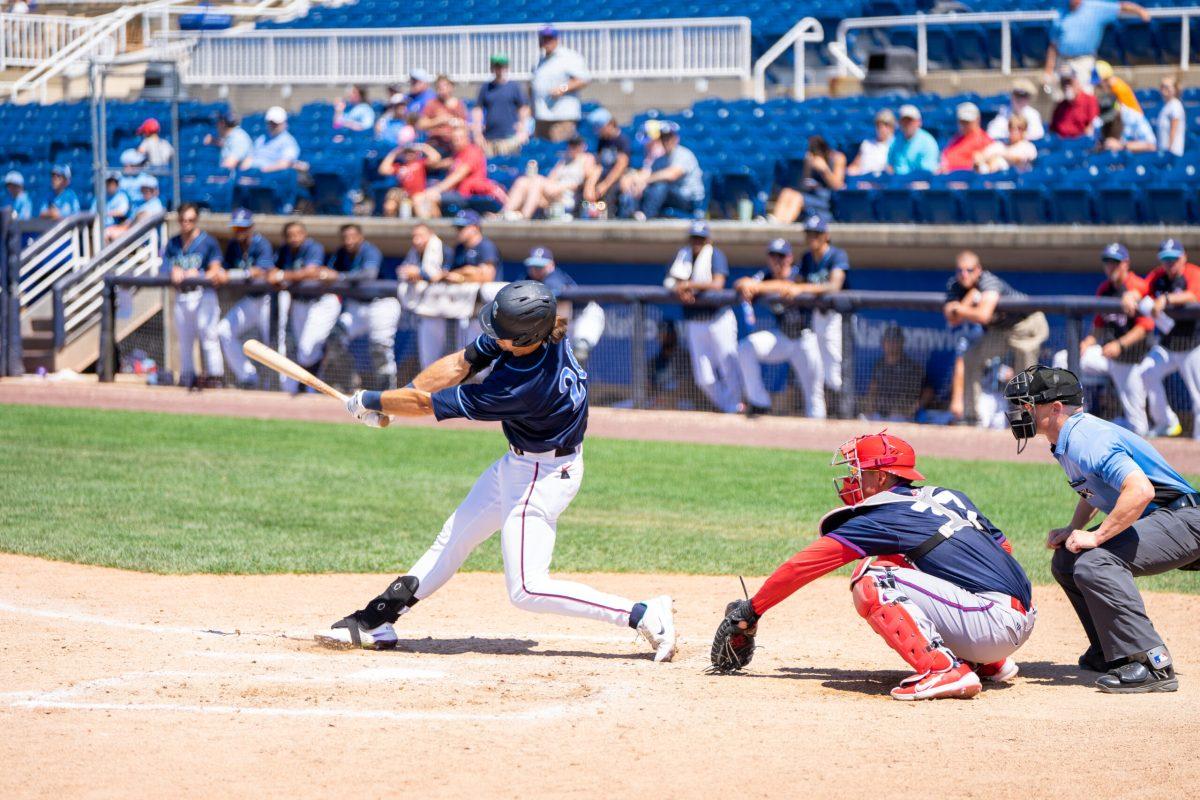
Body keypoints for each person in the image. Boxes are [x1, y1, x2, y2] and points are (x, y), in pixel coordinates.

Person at [323, 281, 679, 664]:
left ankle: (642, 614)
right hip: (520, 464)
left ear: (523, 336)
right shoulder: (541, 335)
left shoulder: (521, 387)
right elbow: (460, 363)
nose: (493, 337)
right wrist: (396, 400)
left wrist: (371, 400)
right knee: (452, 540)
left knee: (526, 588)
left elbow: (427, 406)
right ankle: (378, 619)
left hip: (542, 477)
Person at [709, 432, 1034, 701]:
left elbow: (805, 565)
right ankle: (987, 662)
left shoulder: (884, 514)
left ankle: (942, 669)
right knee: (904, 562)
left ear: (880, 477)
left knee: (872, 579)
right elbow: (1002, 548)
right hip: (1014, 618)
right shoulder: (948, 496)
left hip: (991, 624)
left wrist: (751, 611)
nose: (852, 479)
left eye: (858, 472)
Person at [1005, 365, 1197, 693]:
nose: (1019, 412)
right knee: (1067, 560)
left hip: (1184, 520)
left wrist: (1096, 536)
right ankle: (1112, 652)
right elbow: (1094, 491)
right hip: (1163, 520)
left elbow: (1140, 492)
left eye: (1027, 405)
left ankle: (1151, 662)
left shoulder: (1084, 437)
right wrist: (1073, 529)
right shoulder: (1066, 438)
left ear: (1055, 408)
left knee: (1096, 561)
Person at [1056, 243, 1154, 436]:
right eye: (1108, 263)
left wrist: (1120, 344)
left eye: (1115, 263)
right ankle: (1073, 416)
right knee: (1063, 358)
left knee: (1139, 427)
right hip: (1107, 355)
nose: (1111, 267)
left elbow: (1146, 326)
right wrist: (1085, 343)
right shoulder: (1104, 289)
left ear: (1126, 264)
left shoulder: (1137, 285)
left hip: (1131, 361)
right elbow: (1099, 325)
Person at [944, 251, 1049, 425]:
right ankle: (971, 417)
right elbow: (951, 318)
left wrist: (961, 307)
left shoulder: (989, 281)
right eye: (960, 270)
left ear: (978, 270)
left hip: (1026, 323)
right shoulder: (955, 285)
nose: (964, 275)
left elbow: (983, 315)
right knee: (971, 357)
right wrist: (966, 304)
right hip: (1001, 329)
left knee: (1025, 370)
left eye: (969, 270)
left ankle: (1027, 418)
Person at [735, 238, 821, 417]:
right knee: (745, 348)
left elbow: (787, 286)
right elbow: (741, 283)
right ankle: (760, 402)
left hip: (805, 339)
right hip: (782, 337)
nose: (777, 260)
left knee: (814, 395)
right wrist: (745, 285)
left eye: (781, 256)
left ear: (789, 257)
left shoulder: (798, 272)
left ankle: (817, 432)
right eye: (773, 255)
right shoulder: (766, 275)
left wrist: (756, 287)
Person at [666, 221, 740, 413]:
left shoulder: (715, 255)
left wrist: (690, 285)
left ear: (707, 239)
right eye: (694, 238)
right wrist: (679, 289)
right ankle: (728, 406)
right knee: (703, 378)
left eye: (700, 238)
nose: (696, 242)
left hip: (718, 319)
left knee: (728, 367)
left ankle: (735, 406)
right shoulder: (683, 255)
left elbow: (718, 284)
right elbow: (670, 282)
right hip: (695, 321)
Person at [1136, 239, 1200, 439]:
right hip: (1167, 346)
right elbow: (1139, 288)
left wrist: (1166, 299)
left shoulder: (1192, 272)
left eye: (1174, 259)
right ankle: (1167, 422)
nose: (1170, 263)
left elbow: (1193, 296)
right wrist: (1131, 295)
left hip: (1192, 346)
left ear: (1183, 258)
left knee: (1198, 395)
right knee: (1146, 373)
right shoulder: (1158, 276)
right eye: (1166, 259)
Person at [327, 224, 400, 391]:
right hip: (356, 306)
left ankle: (386, 392)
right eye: (345, 237)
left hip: (381, 304)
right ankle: (350, 383)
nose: (349, 241)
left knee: (379, 349)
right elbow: (327, 272)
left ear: (361, 237)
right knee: (335, 338)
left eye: (353, 237)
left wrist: (340, 276)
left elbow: (369, 274)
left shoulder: (370, 250)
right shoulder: (341, 253)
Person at [162, 203, 225, 388]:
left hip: (203, 295)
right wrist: (172, 269)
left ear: (196, 220)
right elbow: (164, 265)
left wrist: (198, 274)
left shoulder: (208, 241)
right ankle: (187, 377)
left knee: (209, 337)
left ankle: (215, 378)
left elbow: (216, 268)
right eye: (182, 220)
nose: (186, 223)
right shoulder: (173, 243)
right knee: (185, 341)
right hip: (182, 296)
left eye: (190, 220)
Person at [217, 209, 279, 389]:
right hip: (250, 301)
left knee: (272, 344)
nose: (239, 232)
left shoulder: (261, 244)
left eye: (242, 228)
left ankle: (276, 385)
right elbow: (224, 269)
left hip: (268, 300)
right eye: (236, 228)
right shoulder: (233, 246)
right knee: (223, 330)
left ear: (251, 227)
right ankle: (248, 376)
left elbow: (261, 271)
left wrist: (232, 274)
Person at [796, 212, 848, 408]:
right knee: (818, 366)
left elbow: (834, 285)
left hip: (838, 317)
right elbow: (796, 283)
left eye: (816, 234)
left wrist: (801, 288)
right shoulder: (807, 258)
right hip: (817, 317)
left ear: (826, 235)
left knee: (836, 366)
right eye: (809, 233)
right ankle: (830, 411)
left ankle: (844, 410)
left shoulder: (837, 254)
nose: (812, 238)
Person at [273, 221, 332, 394]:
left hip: (319, 302)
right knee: (303, 351)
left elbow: (311, 272)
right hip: (299, 303)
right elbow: (272, 271)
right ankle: (311, 387)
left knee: (307, 350)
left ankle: (309, 382)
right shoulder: (285, 250)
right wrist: (278, 275)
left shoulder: (314, 247)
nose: (294, 238)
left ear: (304, 234)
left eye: (298, 234)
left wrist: (284, 275)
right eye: (290, 235)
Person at [522, 246, 604, 367]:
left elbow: (561, 309)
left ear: (551, 265)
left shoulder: (554, 279)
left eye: (540, 266)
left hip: (584, 315)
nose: (536, 270)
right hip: (565, 318)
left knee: (578, 349)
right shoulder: (528, 279)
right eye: (533, 266)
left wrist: (555, 339)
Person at [1043, 0, 1150, 88]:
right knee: (1062, 98)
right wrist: (1048, 70)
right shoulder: (1062, 13)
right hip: (1063, 61)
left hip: (1084, 61)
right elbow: (1053, 46)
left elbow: (1121, 7)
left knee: (1084, 93)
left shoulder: (1095, 7)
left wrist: (1139, 10)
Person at [398, 223, 461, 368]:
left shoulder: (444, 251)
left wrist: (420, 273)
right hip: (426, 310)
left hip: (448, 312)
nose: (416, 240)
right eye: (414, 236)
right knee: (428, 360)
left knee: (453, 356)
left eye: (420, 236)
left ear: (430, 235)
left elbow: (444, 275)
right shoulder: (413, 253)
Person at [410, 126, 504, 218]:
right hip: (456, 193)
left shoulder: (472, 152)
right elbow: (436, 164)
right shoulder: (458, 155)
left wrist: (437, 189)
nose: (456, 142)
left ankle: (432, 229)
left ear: (467, 138)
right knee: (419, 197)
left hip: (467, 194)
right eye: (454, 139)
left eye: (459, 138)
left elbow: (458, 175)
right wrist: (425, 148)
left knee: (429, 197)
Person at [500, 135, 593, 220]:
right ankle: (503, 213)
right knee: (522, 181)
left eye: (576, 145)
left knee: (537, 181)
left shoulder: (587, 158)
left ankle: (525, 216)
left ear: (582, 146)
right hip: (554, 191)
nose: (573, 148)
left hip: (568, 193)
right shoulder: (564, 160)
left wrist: (563, 187)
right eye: (571, 145)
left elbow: (585, 180)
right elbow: (551, 178)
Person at [530, 25, 590, 142]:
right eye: (544, 38)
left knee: (558, 153)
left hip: (562, 117)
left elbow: (583, 79)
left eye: (550, 38)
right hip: (542, 116)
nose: (547, 42)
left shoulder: (568, 56)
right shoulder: (540, 61)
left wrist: (563, 88)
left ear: (557, 39)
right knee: (540, 152)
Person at [635, 122, 704, 220]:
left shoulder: (684, 154)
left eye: (669, 137)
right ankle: (629, 216)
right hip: (669, 196)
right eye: (663, 138)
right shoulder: (660, 159)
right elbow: (650, 177)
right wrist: (639, 184)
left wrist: (646, 180)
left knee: (661, 186)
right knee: (643, 188)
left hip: (688, 199)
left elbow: (672, 175)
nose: (666, 141)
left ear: (676, 138)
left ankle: (646, 216)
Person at [771, 135, 845, 223]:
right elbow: (805, 183)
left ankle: (783, 224)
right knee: (787, 192)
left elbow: (837, 186)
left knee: (797, 198)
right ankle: (776, 221)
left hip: (826, 198)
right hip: (811, 194)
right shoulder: (811, 158)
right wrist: (808, 167)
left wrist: (824, 170)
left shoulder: (838, 158)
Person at [473, 54, 530, 156]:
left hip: (509, 137)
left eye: (502, 66)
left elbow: (523, 108)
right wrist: (478, 133)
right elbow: (478, 109)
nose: (499, 69)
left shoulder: (514, 86)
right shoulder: (486, 87)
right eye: (496, 66)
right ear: (492, 68)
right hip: (490, 138)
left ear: (506, 68)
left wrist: (523, 127)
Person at [865, 324, 925, 420]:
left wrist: (914, 408)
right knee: (862, 420)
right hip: (879, 413)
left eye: (895, 341)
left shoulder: (911, 367)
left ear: (902, 343)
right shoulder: (879, 365)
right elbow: (873, 389)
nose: (891, 344)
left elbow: (928, 391)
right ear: (883, 343)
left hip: (900, 415)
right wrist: (869, 407)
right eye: (888, 340)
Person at [582, 108, 631, 214]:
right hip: (603, 176)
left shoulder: (622, 140)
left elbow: (621, 166)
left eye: (599, 128)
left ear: (609, 124)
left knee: (615, 190)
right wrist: (590, 184)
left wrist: (605, 185)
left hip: (616, 178)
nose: (598, 132)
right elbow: (598, 164)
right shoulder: (602, 141)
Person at [617, 120, 667, 217]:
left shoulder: (660, 150)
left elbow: (653, 172)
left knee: (636, 186)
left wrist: (639, 180)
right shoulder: (648, 149)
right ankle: (627, 215)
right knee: (627, 181)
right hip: (646, 179)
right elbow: (644, 169)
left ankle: (639, 214)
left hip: (654, 182)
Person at [377, 142, 431, 217]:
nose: (409, 154)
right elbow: (383, 169)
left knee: (418, 202)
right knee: (390, 205)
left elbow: (436, 158)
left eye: (411, 152)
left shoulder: (420, 163)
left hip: (419, 193)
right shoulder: (399, 167)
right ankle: (391, 225)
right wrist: (394, 153)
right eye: (406, 152)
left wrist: (423, 147)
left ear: (416, 153)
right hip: (404, 194)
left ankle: (423, 227)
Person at [105, 173, 163, 242]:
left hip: (143, 240)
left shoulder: (156, 204)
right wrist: (119, 228)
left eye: (150, 190)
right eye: (144, 189)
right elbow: (131, 221)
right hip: (134, 235)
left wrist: (120, 230)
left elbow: (137, 223)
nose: (146, 192)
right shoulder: (141, 203)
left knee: (111, 235)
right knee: (106, 233)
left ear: (156, 191)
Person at [240, 106, 300, 172]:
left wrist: (261, 172)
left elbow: (284, 164)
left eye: (276, 124)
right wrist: (244, 171)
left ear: (284, 123)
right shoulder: (262, 139)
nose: (273, 126)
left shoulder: (289, 142)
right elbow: (250, 158)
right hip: (253, 175)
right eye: (271, 123)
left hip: (271, 178)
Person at [418, 75, 468, 153]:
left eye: (445, 86)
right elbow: (421, 124)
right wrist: (438, 121)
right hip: (435, 145)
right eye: (439, 87)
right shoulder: (432, 104)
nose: (442, 89)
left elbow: (464, 125)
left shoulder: (458, 104)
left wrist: (458, 123)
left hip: (453, 145)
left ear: (451, 87)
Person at [940, 102, 993, 173]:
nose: (964, 125)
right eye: (962, 121)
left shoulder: (984, 140)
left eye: (967, 122)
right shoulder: (957, 138)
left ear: (977, 120)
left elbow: (982, 166)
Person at [887, 105, 940, 175]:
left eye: (910, 121)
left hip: (920, 182)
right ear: (899, 123)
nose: (907, 124)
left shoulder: (928, 142)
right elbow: (890, 166)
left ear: (919, 122)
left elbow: (928, 173)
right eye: (904, 121)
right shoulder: (895, 142)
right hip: (899, 182)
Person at [1050, 66, 1100, 138]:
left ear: (1076, 82)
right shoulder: (1061, 105)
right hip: (1062, 144)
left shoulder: (1090, 100)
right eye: (1064, 83)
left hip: (1080, 144)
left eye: (1069, 82)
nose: (1066, 86)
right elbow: (1052, 129)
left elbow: (1092, 128)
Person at [847, 109, 895, 176]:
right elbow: (855, 165)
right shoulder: (866, 144)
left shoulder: (897, 145)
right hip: (863, 182)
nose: (882, 128)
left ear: (892, 127)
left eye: (886, 125)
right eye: (879, 125)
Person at [1156, 75, 1186, 157]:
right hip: (1164, 151)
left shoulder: (1175, 105)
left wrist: (1169, 149)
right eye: (1162, 86)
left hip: (1172, 152)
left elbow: (1174, 129)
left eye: (1167, 86)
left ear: (1175, 89)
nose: (1164, 89)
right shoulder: (1166, 106)